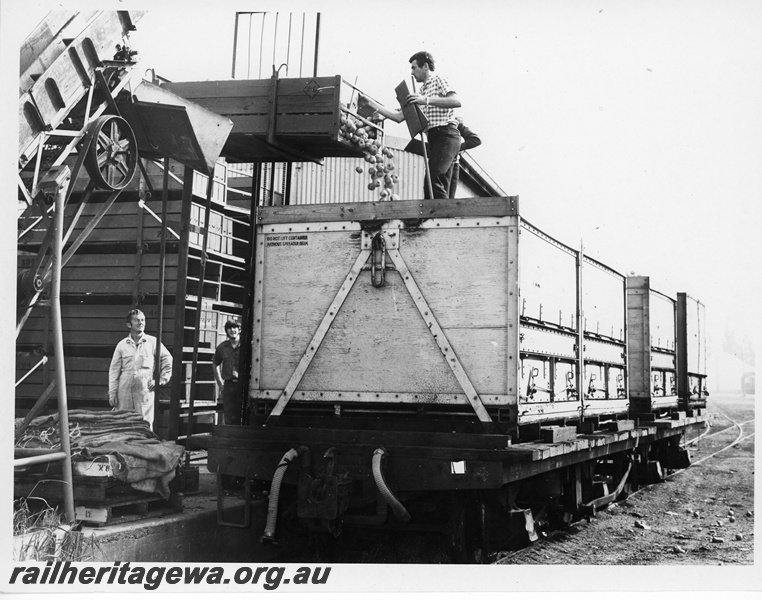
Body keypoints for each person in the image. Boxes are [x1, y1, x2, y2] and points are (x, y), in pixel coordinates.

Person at [363, 51, 462, 199]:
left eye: (414, 68)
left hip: (447, 135)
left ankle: (438, 217)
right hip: (435, 139)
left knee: (433, 180)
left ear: (425, 66)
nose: (412, 72)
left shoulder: (438, 80)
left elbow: (456, 101)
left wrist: (426, 100)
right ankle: (441, 216)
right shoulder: (421, 91)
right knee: (437, 186)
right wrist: (370, 104)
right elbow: (399, 117)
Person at [108, 309, 172, 428]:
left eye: (143, 320)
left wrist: (161, 380)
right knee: (122, 423)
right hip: (124, 392)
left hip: (144, 391)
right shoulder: (122, 345)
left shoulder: (153, 342)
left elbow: (168, 359)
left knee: (144, 424)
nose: (141, 323)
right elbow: (114, 371)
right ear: (129, 325)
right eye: (137, 320)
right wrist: (112, 393)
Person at [213, 319, 242, 425]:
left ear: (239, 329)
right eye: (229, 328)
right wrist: (220, 384)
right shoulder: (222, 347)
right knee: (229, 416)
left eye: (234, 327)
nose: (232, 330)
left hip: (243, 386)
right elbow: (215, 363)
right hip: (229, 386)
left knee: (243, 415)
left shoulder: (247, 346)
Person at [448, 117, 482, 198]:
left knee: (449, 199)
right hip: (436, 164)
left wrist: (455, 148)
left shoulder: (454, 122)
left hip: (452, 164)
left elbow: (475, 140)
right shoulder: (433, 120)